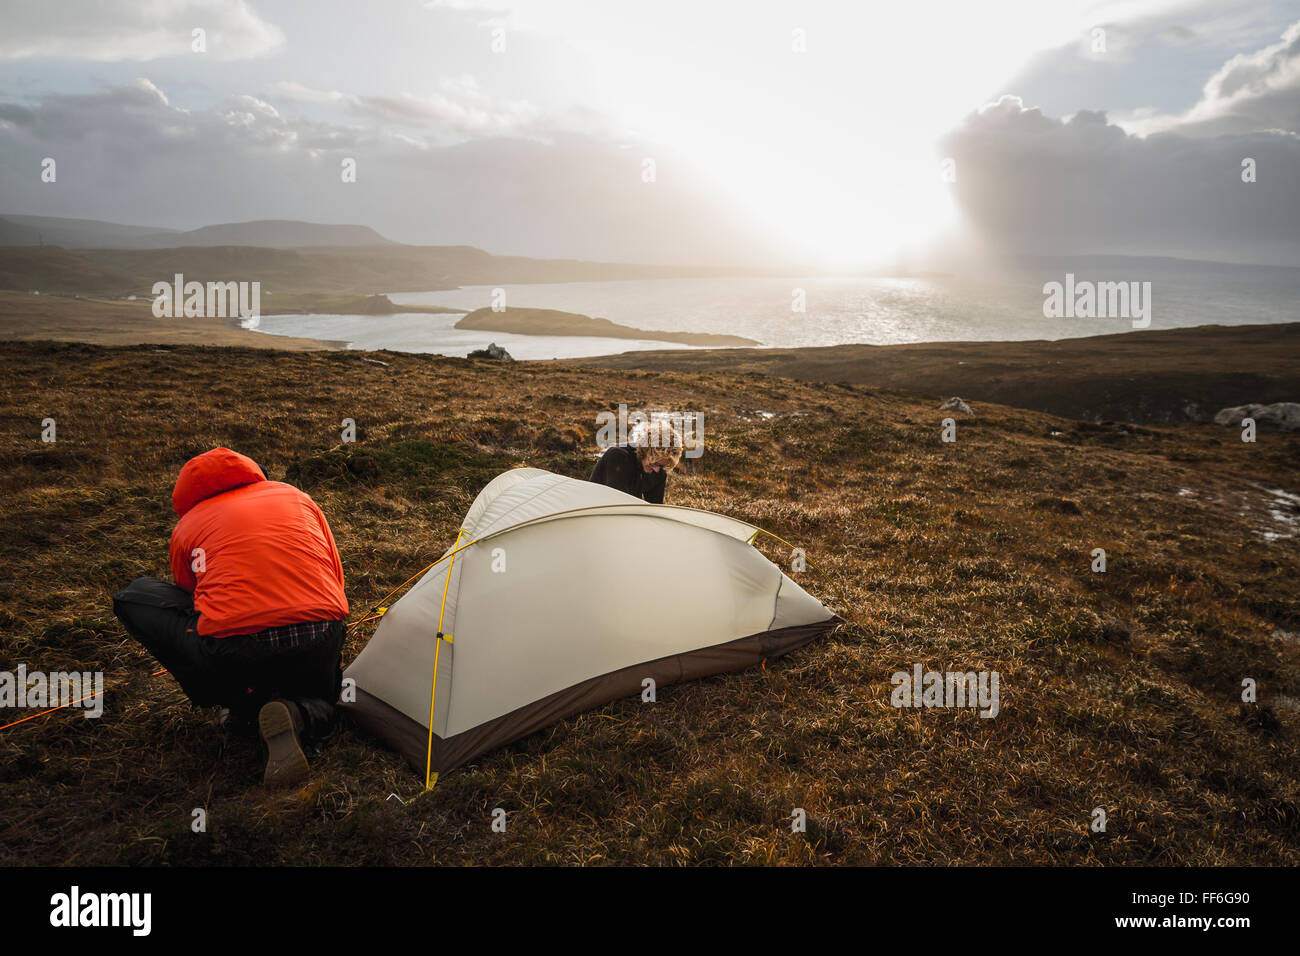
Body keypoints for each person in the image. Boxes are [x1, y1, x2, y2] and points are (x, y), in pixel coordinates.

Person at [112, 447, 349, 788]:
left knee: (134, 598)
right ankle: (300, 714)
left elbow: (191, 597)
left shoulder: (187, 526)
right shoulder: (297, 498)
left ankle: (243, 708)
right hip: (320, 638)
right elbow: (334, 575)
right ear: (253, 472)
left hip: (239, 653)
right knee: (327, 700)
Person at [588, 418, 683, 503]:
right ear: (645, 450)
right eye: (655, 463)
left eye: (661, 466)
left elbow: (655, 509)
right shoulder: (618, 457)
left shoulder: (659, 472)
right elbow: (617, 505)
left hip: (624, 514)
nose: (657, 470)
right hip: (592, 511)